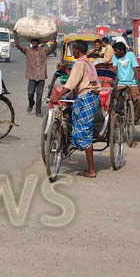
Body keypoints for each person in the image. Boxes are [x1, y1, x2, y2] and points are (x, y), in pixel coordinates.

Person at [50, 40, 101, 178]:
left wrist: (58, 96)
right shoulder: (87, 62)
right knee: (81, 128)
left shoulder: (80, 63)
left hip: (85, 98)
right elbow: (77, 77)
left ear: (78, 50)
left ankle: (91, 170)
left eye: (73, 49)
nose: (72, 51)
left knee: (84, 132)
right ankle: (72, 144)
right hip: (92, 97)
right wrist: (65, 70)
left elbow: (71, 83)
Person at [14, 33, 54, 117]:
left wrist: (55, 37)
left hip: (41, 76)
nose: (34, 43)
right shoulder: (27, 50)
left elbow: (53, 48)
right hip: (31, 76)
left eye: (36, 41)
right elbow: (18, 46)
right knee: (30, 93)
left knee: (39, 95)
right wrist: (15, 35)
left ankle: (38, 111)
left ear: (38, 42)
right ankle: (31, 103)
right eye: (33, 41)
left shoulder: (44, 50)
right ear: (31, 42)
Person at [112, 40, 140, 121]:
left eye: (116, 50)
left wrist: (139, 80)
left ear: (122, 51)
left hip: (132, 82)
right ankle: (112, 118)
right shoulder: (115, 57)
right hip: (120, 83)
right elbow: (115, 68)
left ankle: (135, 117)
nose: (115, 52)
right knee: (113, 99)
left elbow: (135, 67)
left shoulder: (131, 55)